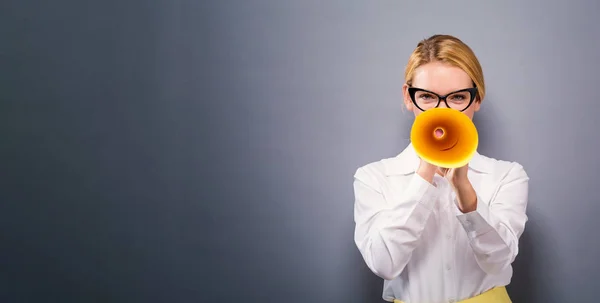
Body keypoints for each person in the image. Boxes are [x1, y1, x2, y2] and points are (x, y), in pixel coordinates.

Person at [352, 34, 529, 303]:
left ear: (477, 98)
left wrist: (466, 194)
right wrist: (425, 176)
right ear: (408, 97)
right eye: (427, 97)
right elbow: (384, 264)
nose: (442, 111)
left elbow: (500, 262)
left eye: (458, 98)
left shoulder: (507, 176)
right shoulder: (374, 178)